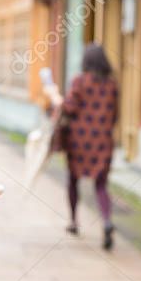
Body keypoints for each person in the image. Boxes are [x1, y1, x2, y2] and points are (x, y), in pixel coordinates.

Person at [52, 43, 119, 250]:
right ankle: (106, 221)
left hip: (79, 140)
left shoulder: (80, 82)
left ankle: (73, 221)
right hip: (103, 141)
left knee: (73, 180)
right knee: (101, 185)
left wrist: (56, 99)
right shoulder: (112, 85)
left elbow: (69, 107)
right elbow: (115, 115)